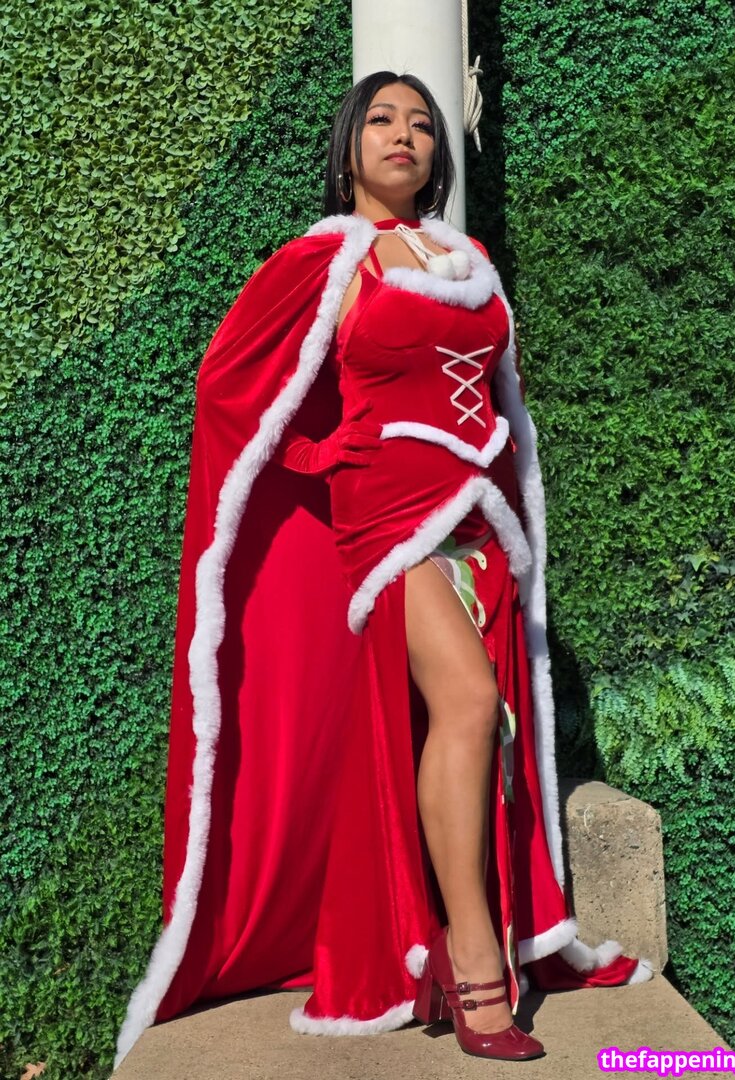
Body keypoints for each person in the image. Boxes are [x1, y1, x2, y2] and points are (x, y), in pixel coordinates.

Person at [114, 71, 650, 1070]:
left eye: (420, 124)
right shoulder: (327, 259)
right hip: (387, 523)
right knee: (470, 701)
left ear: (437, 153)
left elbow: (496, 397)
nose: (403, 134)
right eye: (381, 119)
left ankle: (448, 932)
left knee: (474, 723)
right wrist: (323, 458)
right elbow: (227, 384)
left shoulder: (467, 262)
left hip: (478, 520)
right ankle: (474, 959)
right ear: (348, 145)